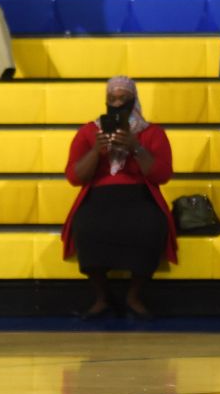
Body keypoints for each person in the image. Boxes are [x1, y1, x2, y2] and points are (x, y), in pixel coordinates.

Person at [61, 76, 177, 318]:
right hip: (98, 196)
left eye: (122, 99)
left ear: (133, 100)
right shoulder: (88, 132)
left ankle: (133, 296)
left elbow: (162, 174)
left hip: (139, 196)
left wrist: (135, 146)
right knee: (85, 227)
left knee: (152, 226)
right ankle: (102, 297)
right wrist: (96, 151)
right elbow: (74, 176)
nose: (116, 104)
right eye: (111, 99)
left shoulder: (152, 133)